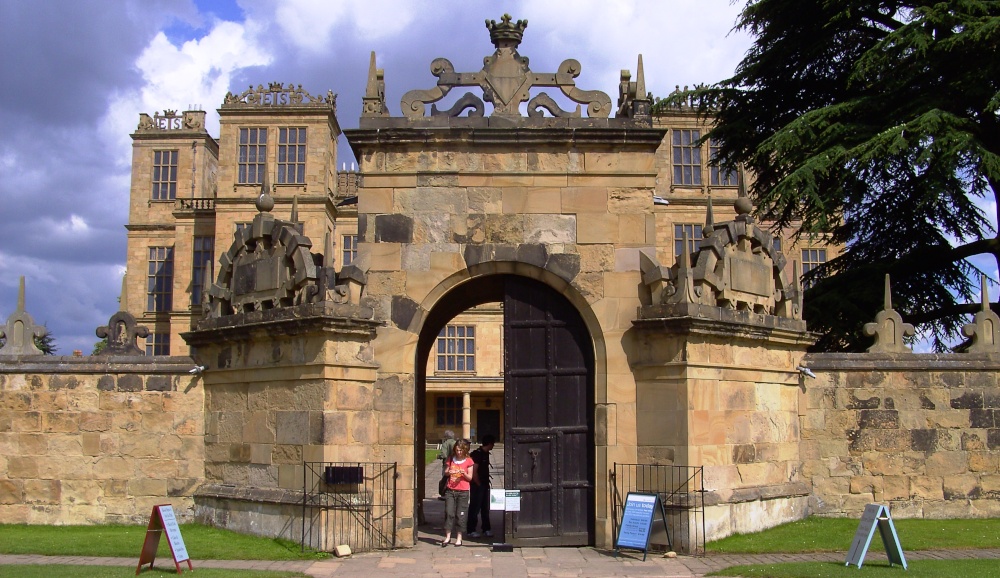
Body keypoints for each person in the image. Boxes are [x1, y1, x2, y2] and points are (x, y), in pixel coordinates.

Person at [441, 439, 474, 547]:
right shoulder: (451, 459)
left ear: (464, 450)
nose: (459, 452)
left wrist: (464, 473)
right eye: (457, 450)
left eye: (460, 450)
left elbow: (470, 478)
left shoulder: (469, 461)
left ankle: (459, 538)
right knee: (449, 513)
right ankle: (447, 537)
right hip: (451, 490)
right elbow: (445, 472)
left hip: (463, 491)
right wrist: (448, 472)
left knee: (460, 514)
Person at [466, 434, 495, 539]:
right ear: (490, 443)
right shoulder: (477, 454)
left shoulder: (486, 453)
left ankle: (486, 528)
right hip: (478, 485)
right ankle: (471, 529)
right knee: (475, 507)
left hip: (484, 484)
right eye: (492, 444)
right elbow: (474, 471)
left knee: (485, 508)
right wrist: (478, 484)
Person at [437, 430, 456, 499]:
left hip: (447, 464)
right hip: (455, 463)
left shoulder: (446, 443)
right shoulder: (455, 443)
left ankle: (445, 494)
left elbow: (444, 455)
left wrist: (439, 456)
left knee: (445, 478)